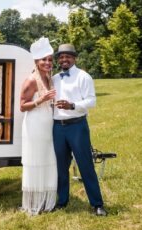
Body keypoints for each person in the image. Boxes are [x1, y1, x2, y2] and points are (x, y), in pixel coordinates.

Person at [52, 44, 107, 216]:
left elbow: (91, 101)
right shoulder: (54, 78)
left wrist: (73, 105)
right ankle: (62, 202)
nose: (64, 59)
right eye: (61, 57)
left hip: (77, 126)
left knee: (85, 165)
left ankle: (97, 204)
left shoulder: (83, 76)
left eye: (68, 56)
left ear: (74, 58)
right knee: (60, 167)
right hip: (57, 127)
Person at [20, 37, 57, 215]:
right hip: (34, 124)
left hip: (48, 124)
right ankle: (34, 203)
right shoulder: (31, 80)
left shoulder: (49, 78)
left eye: (50, 59)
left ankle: (47, 201)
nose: (48, 63)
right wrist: (41, 100)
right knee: (36, 161)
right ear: (36, 61)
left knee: (48, 160)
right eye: (44, 60)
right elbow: (22, 106)